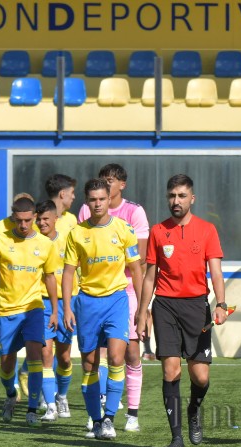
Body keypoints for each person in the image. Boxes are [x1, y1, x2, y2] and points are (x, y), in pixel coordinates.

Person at [136, 174, 227, 447]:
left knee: (200, 377)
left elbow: (216, 272)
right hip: (165, 305)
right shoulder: (157, 231)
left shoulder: (207, 230)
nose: (176, 201)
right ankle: (177, 438)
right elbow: (150, 277)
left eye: (181, 196)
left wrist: (221, 304)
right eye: (172, 196)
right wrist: (142, 313)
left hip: (197, 307)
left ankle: (193, 410)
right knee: (171, 369)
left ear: (192, 199)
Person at [63, 178, 143, 441]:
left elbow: (136, 269)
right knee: (89, 364)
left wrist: (142, 307)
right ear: (87, 202)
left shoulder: (123, 229)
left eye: (101, 199)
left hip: (117, 301)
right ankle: (96, 420)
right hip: (87, 303)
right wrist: (67, 308)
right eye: (92, 199)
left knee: (117, 358)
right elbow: (68, 272)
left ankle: (109, 418)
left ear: (109, 199)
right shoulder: (77, 233)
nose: (97, 204)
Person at [78, 164, 150, 431]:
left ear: (121, 185)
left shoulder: (134, 212)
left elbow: (140, 260)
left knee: (129, 352)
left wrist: (143, 305)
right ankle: (99, 412)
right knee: (98, 353)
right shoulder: (86, 210)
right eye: (103, 180)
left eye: (110, 180)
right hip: (94, 294)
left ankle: (132, 413)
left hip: (125, 290)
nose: (106, 185)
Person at [0, 197, 61, 426]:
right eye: (19, 220)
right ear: (13, 217)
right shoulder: (0, 239)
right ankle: (10, 394)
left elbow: (50, 278)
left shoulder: (45, 244)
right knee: (7, 364)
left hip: (33, 309)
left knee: (36, 356)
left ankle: (32, 409)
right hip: (6, 309)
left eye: (28, 220)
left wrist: (55, 310)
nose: (24, 225)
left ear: (34, 217)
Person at [34, 201, 76, 422]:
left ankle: (61, 396)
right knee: (46, 353)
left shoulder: (68, 240)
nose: (42, 223)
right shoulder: (33, 243)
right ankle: (50, 405)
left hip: (67, 302)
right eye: (38, 219)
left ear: (55, 219)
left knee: (65, 357)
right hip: (42, 303)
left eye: (45, 219)